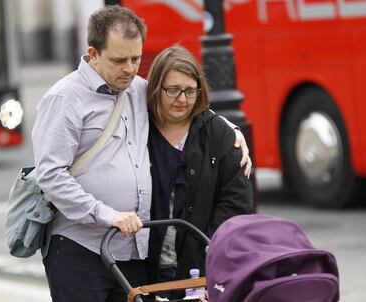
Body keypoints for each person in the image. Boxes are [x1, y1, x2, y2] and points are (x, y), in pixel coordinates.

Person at [32, 5, 251, 302]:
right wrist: (107, 215)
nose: (130, 69)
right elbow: (50, 175)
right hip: (79, 249)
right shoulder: (64, 99)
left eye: (136, 58)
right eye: (119, 60)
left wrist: (228, 129)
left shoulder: (137, 89)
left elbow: (186, 102)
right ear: (93, 54)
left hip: (134, 252)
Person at [146, 45, 253, 299]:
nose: (182, 99)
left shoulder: (218, 133)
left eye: (190, 91)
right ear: (156, 89)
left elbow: (237, 202)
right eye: (173, 90)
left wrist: (211, 250)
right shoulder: (139, 129)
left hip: (203, 270)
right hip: (144, 269)